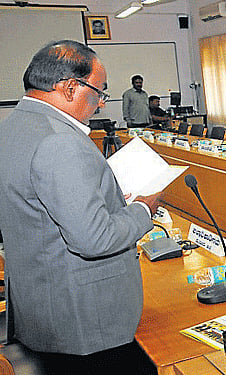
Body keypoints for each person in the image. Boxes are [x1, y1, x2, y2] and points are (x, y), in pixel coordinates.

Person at [0, 40, 162, 374]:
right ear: (70, 87)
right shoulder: (59, 140)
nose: (102, 102)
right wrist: (143, 209)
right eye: (100, 91)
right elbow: (94, 240)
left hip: (40, 304)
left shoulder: (13, 127)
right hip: (84, 320)